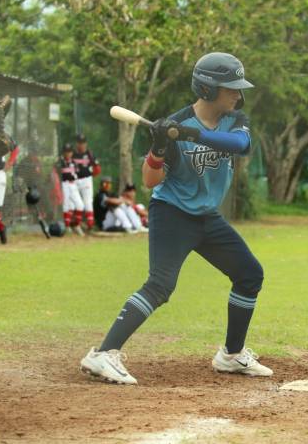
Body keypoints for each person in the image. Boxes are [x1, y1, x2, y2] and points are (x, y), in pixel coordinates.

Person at [80, 52, 270, 384]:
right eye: (231, 89)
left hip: (207, 216)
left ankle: (231, 354)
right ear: (208, 89)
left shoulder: (232, 121)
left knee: (249, 274)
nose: (238, 96)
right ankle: (103, 354)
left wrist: (190, 135)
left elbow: (241, 145)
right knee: (161, 285)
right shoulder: (174, 125)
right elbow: (150, 181)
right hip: (172, 214)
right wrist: (157, 149)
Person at [72, 134, 101, 230]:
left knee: (88, 202)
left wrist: (91, 174)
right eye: (79, 143)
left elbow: (97, 169)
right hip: (74, 181)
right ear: (76, 144)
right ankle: (76, 225)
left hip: (86, 180)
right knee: (75, 203)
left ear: (86, 143)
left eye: (83, 143)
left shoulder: (89, 154)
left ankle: (90, 225)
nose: (81, 145)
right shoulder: (72, 154)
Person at [57, 143, 85, 235]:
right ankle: (67, 226)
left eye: (69, 152)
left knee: (80, 205)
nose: (68, 154)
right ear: (63, 152)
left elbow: (77, 174)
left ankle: (76, 225)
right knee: (67, 205)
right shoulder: (60, 162)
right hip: (64, 184)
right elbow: (58, 174)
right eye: (66, 152)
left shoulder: (73, 162)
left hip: (73, 185)